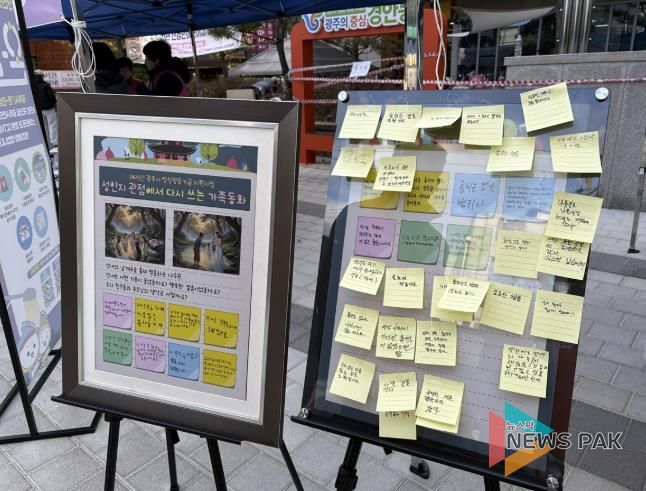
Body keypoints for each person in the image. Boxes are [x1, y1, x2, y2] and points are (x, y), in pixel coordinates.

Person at [33, 70, 57, 147]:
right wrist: (54, 103)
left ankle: (46, 142)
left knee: (44, 126)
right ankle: (54, 141)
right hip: (48, 108)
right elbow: (51, 97)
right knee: (52, 125)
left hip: (39, 109)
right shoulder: (45, 85)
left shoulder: (32, 86)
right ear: (41, 76)